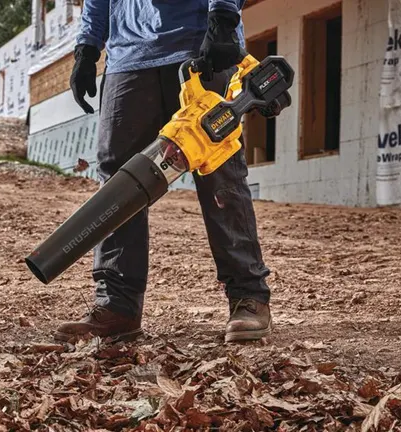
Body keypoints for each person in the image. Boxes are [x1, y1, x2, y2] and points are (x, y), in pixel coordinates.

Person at [57, 0, 272, 343]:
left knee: (220, 172)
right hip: (127, 56)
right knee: (119, 180)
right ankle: (118, 305)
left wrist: (224, 16)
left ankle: (249, 296)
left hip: (199, 42)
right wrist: (87, 46)